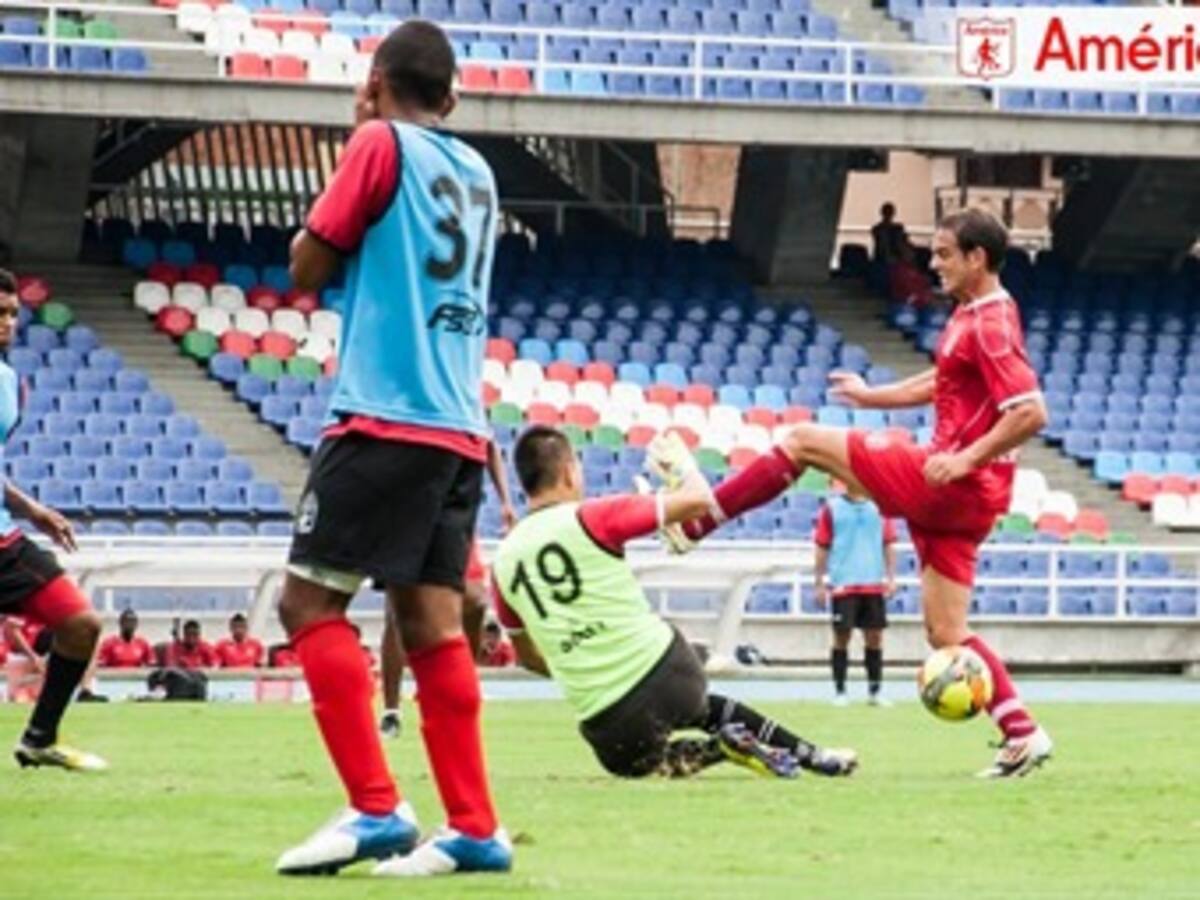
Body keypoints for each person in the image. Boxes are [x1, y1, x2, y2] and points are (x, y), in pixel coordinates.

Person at [651, 209, 1053, 779]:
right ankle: (1023, 734)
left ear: (976, 258)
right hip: (966, 498)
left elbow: (1031, 411)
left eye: (942, 254)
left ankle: (696, 522)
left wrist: (962, 459)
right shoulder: (977, 314)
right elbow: (945, 380)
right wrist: (873, 397)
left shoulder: (991, 322)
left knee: (802, 441)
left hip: (952, 483)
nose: (932, 264)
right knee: (947, 635)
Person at [275, 20, 508, 878]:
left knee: (306, 606)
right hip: (458, 425)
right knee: (431, 624)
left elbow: (306, 265)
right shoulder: (476, 170)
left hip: (385, 414)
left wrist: (358, 130)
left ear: (375, 83)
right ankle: (475, 828)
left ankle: (377, 809)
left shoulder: (377, 144)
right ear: (450, 99)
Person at [492, 426, 858, 781]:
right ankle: (814, 755)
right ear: (570, 472)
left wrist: (583, 670)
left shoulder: (503, 562)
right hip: (670, 675)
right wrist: (684, 469)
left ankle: (720, 749)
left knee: (640, 764)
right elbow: (700, 502)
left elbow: (528, 657)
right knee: (705, 706)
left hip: (608, 723)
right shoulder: (592, 515)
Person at [0, 271, 106, 771]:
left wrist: (35, 511)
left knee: (81, 624)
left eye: (10, 314)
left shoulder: (9, 385)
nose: (5, 324)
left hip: (4, 540)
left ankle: (39, 738)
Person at [379, 440, 516, 739]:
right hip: (406, 512)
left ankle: (459, 691)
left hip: (453, 516)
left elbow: (489, 445)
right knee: (396, 610)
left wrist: (506, 501)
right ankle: (391, 710)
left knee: (477, 602)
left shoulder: (462, 403)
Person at [813, 486, 897, 706]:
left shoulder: (880, 506)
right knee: (842, 637)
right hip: (844, 583)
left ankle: (875, 691)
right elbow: (822, 546)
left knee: (875, 638)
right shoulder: (832, 508)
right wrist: (819, 582)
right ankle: (840, 691)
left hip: (872, 583)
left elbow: (888, 543)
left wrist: (891, 577)